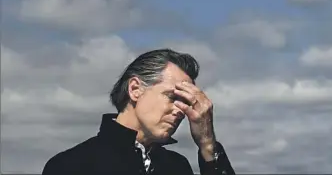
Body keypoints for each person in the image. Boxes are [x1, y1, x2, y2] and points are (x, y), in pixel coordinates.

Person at [42, 48, 235, 175]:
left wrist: (207, 144)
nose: (180, 110)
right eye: (172, 96)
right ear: (135, 89)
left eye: (185, 102)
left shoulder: (177, 167)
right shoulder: (71, 166)